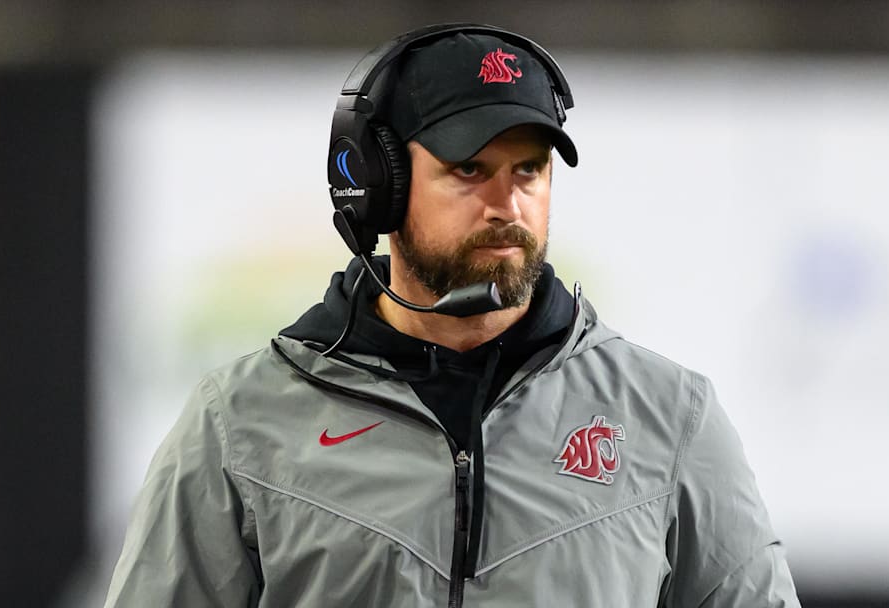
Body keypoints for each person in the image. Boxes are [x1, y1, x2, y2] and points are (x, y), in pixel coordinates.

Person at [105, 23, 801, 607]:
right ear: (377, 187)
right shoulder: (241, 424)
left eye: (528, 170)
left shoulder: (669, 416)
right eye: (469, 169)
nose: (508, 203)